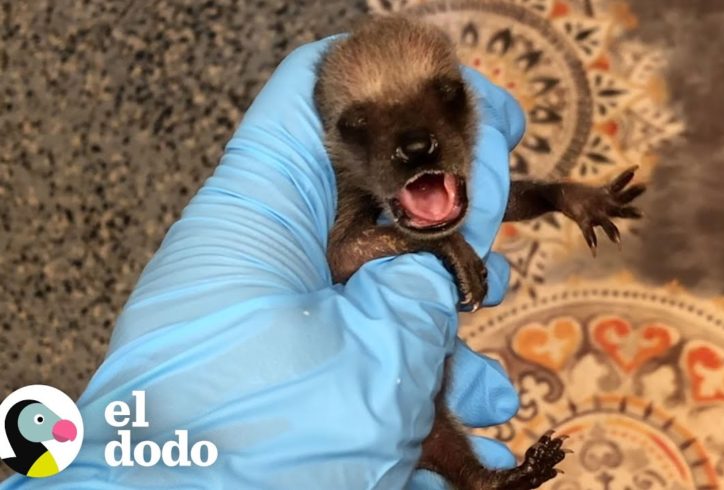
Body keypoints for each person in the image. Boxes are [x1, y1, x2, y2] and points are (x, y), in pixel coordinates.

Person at [0, 35, 527, 489]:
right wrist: (430, 244)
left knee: (411, 409)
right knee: (415, 418)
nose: (414, 140)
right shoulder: (345, 193)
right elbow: (345, 251)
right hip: (334, 337)